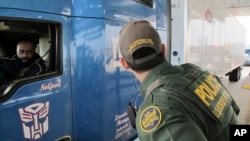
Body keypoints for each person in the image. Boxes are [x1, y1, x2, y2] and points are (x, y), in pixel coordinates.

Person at [119, 20, 240, 141]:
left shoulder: (157, 110)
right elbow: (235, 115)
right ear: (163, 49)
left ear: (124, 63)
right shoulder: (197, 72)